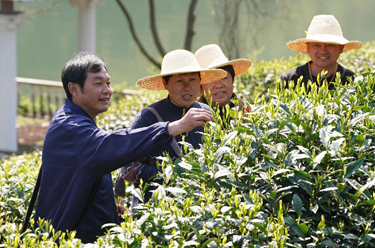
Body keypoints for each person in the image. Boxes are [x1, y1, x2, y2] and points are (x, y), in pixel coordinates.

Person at [33, 52, 214, 243]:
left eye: (108, 83)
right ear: (74, 89)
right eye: (98, 84)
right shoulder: (70, 126)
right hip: (73, 239)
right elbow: (113, 145)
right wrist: (172, 128)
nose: (107, 90)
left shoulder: (77, 121)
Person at [114, 49, 226, 210]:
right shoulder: (149, 117)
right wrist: (170, 171)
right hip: (154, 213)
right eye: (180, 81)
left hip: (197, 210)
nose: (187, 87)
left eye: (193, 80)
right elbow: (126, 168)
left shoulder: (207, 112)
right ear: (166, 84)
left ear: (200, 82)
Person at [280, 14, 363, 91]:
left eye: (330, 45)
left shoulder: (353, 81)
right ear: (308, 47)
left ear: (341, 48)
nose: (323, 51)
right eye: (316, 45)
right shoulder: (289, 79)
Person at [194, 44, 252, 121]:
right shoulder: (191, 120)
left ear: (232, 81)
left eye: (224, 77)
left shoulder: (251, 114)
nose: (218, 85)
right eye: (211, 80)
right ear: (200, 88)